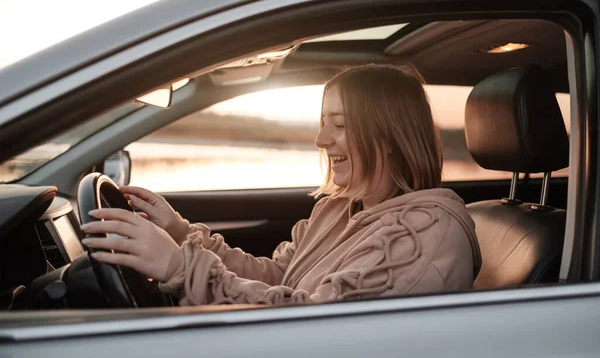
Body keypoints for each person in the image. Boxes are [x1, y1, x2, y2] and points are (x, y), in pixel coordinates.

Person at [81, 64, 482, 305]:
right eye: (323, 122)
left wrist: (178, 266)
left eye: (340, 125)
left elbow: (310, 326)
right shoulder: (339, 207)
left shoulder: (424, 237)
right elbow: (276, 278)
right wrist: (179, 232)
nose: (322, 140)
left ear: (390, 136)